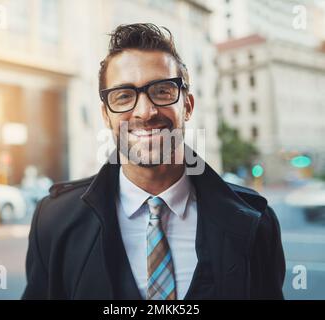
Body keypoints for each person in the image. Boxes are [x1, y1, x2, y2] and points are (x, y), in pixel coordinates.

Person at [22, 23, 285, 300]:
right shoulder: (54, 220)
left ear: (187, 106)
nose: (145, 112)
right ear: (105, 115)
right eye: (123, 96)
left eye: (162, 91)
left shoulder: (256, 223)